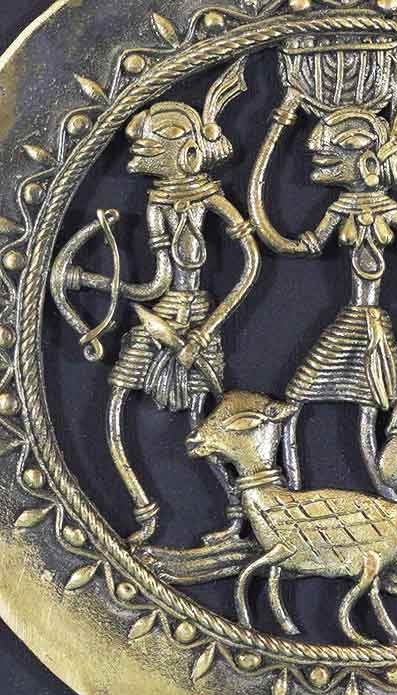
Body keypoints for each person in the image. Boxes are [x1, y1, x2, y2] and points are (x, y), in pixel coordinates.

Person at [52, 59, 260, 543]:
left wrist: (205, 331)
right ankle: (145, 513)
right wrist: (93, 282)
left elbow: (250, 266)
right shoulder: (157, 205)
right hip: (162, 317)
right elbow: (155, 285)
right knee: (115, 407)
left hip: (200, 321)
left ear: (185, 153)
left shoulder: (212, 201)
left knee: (208, 424)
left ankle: (236, 518)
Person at [248, 70, 397, 500]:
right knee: (296, 402)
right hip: (349, 324)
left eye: (340, 146)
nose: (316, 151)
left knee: (366, 421)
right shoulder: (340, 208)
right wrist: (276, 127)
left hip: (373, 332)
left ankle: (390, 505)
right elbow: (293, 243)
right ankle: (294, 498)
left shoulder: (392, 213)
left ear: (370, 162)